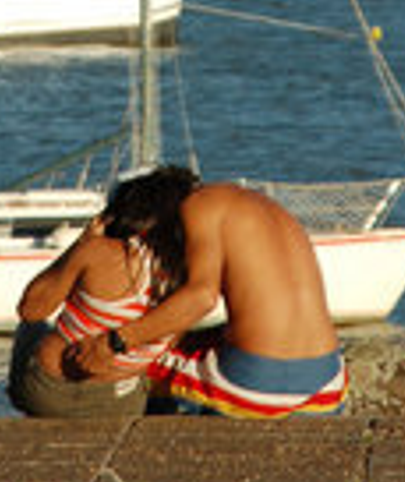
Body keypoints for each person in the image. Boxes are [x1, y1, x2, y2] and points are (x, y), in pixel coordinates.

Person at [69, 179, 348, 419]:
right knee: (178, 342)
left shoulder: (198, 206)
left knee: (138, 362)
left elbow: (201, 298)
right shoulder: (261, 206)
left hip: (257, 387)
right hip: (328, 383)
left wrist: (113, 342)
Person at [8, 165, 199, 419]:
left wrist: (82, 244)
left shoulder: (101, 251)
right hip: (119, 402)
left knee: (31, 328)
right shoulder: (194, 277)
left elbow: (30, 309)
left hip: (48, 393)